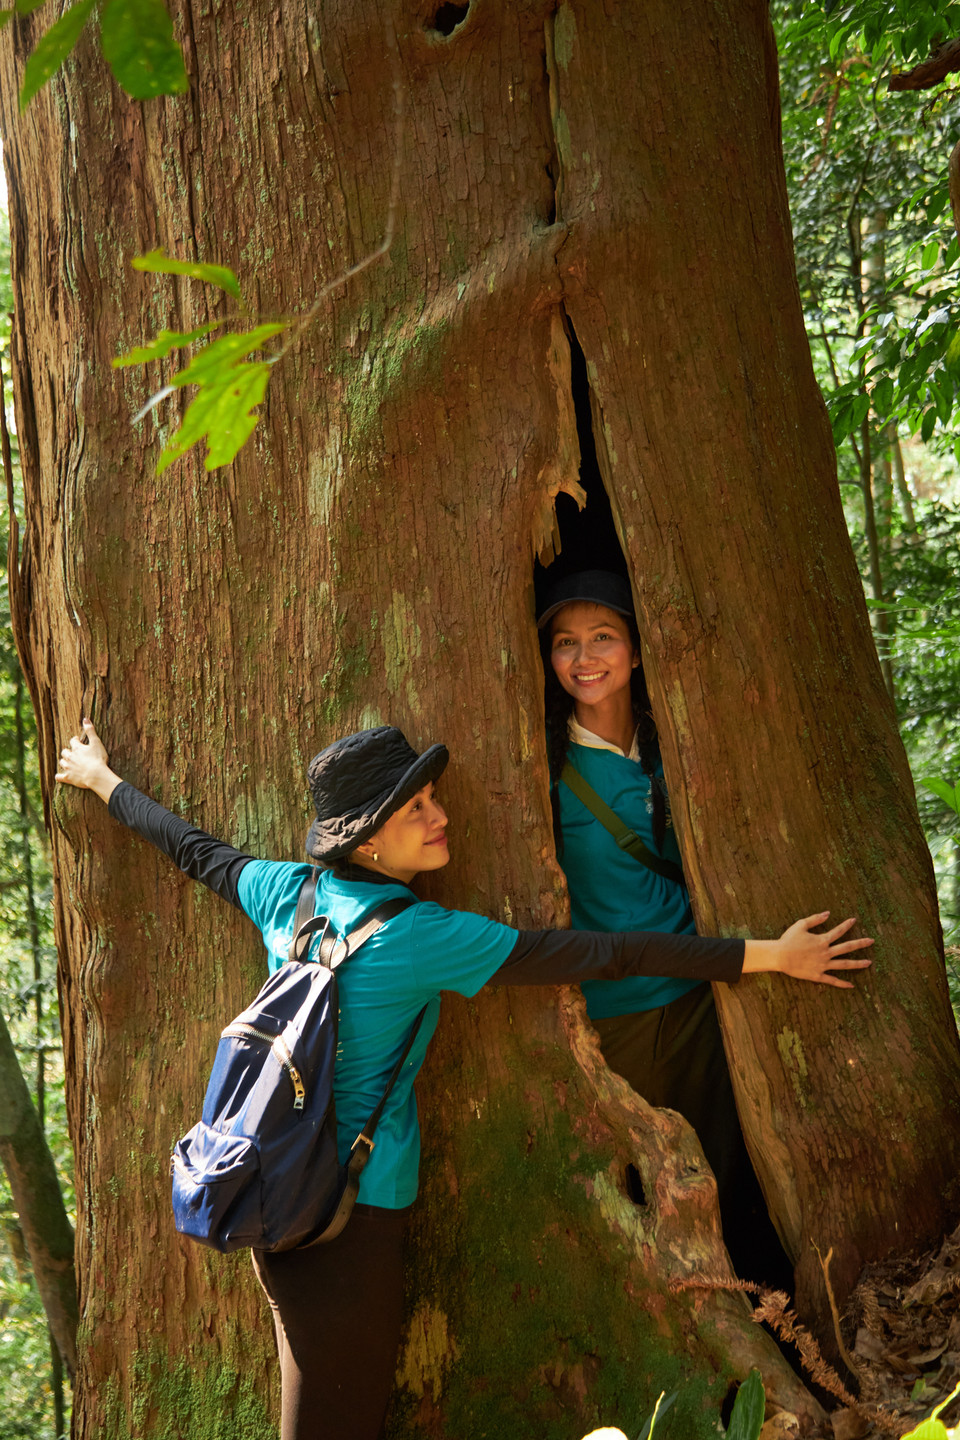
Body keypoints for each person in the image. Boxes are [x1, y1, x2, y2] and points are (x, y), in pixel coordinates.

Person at [55, 717, 872, 1440]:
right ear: (368, 841)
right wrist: (770, 956)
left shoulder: (286, 893)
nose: (440, 815)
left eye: (431, 797)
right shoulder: (420, 937)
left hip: (266, 1184)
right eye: (415, 808)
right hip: (349, 1218)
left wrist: (102, 780)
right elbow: (606, 952)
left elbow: (197, 852)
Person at [538, 568, 808, 1279]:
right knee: (646, 1192)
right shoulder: (546, 767)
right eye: (565, 642)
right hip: (616, 1015)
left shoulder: (672, 743)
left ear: (636, 650)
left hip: (702, 999)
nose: (583, 657)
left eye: (603, 636)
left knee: (728, 1175)